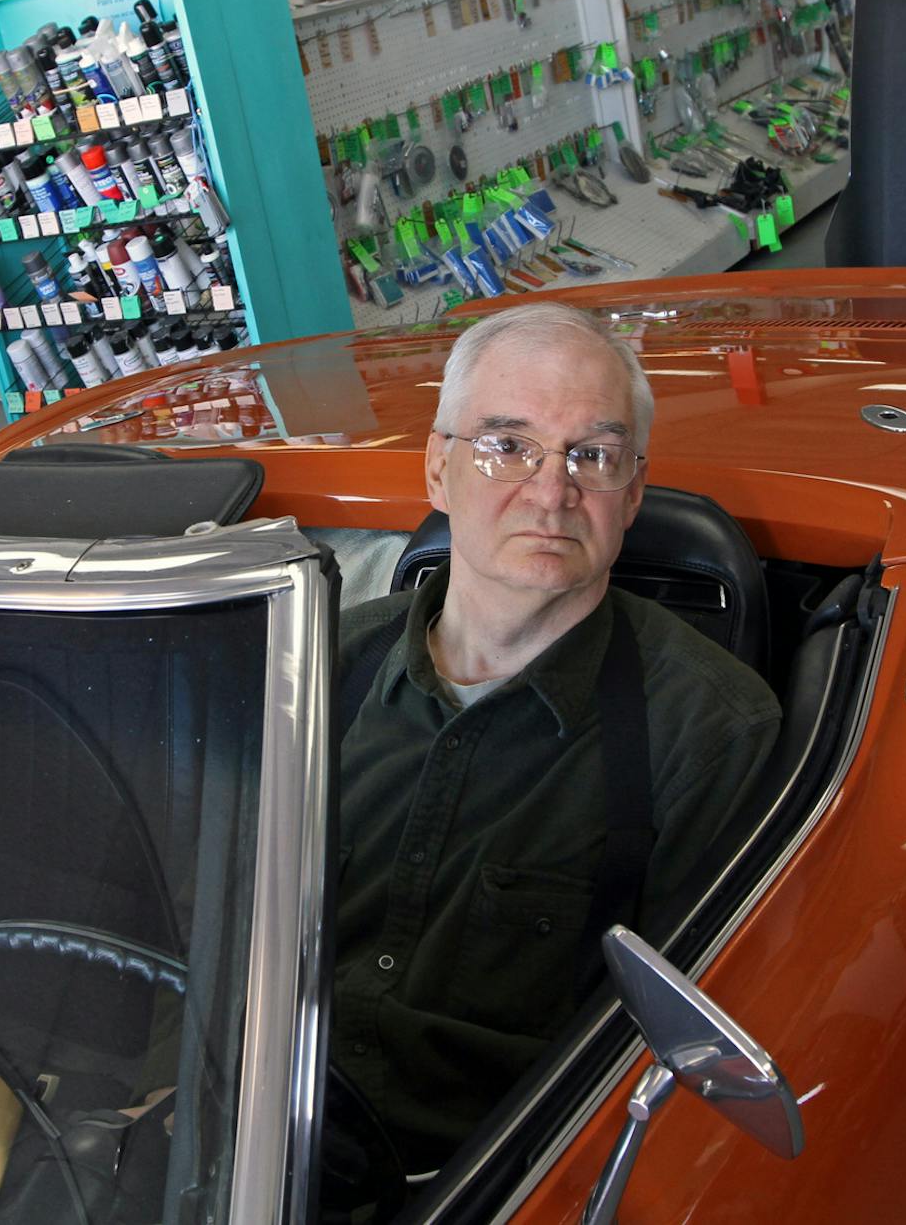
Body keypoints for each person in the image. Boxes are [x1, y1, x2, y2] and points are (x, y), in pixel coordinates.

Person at [332, 302, 782, 1171]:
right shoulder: (310, 667)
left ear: (634, 493)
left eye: (593, 455)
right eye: (508, 445)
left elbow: (677, 1067)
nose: (551, 490)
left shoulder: (709, 732)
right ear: (437, 467)